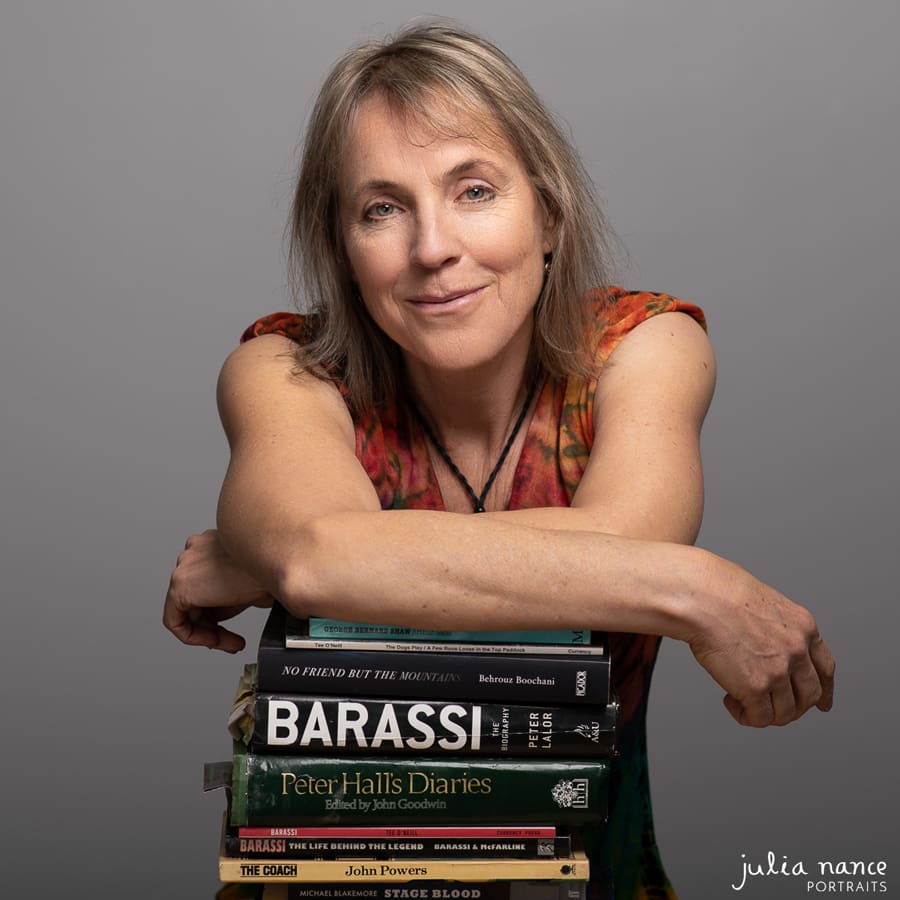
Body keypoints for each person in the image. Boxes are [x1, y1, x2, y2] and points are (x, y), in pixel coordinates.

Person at [163, 22, 834, 899]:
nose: (433, 247)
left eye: (473, 189)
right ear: (344, 252)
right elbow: (317, 554)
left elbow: (629, 540)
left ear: (547, 213)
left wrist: (271, 553)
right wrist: (694, 588)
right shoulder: (282, 368)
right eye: (382, 208)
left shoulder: (644, 347)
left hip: (589, 876)